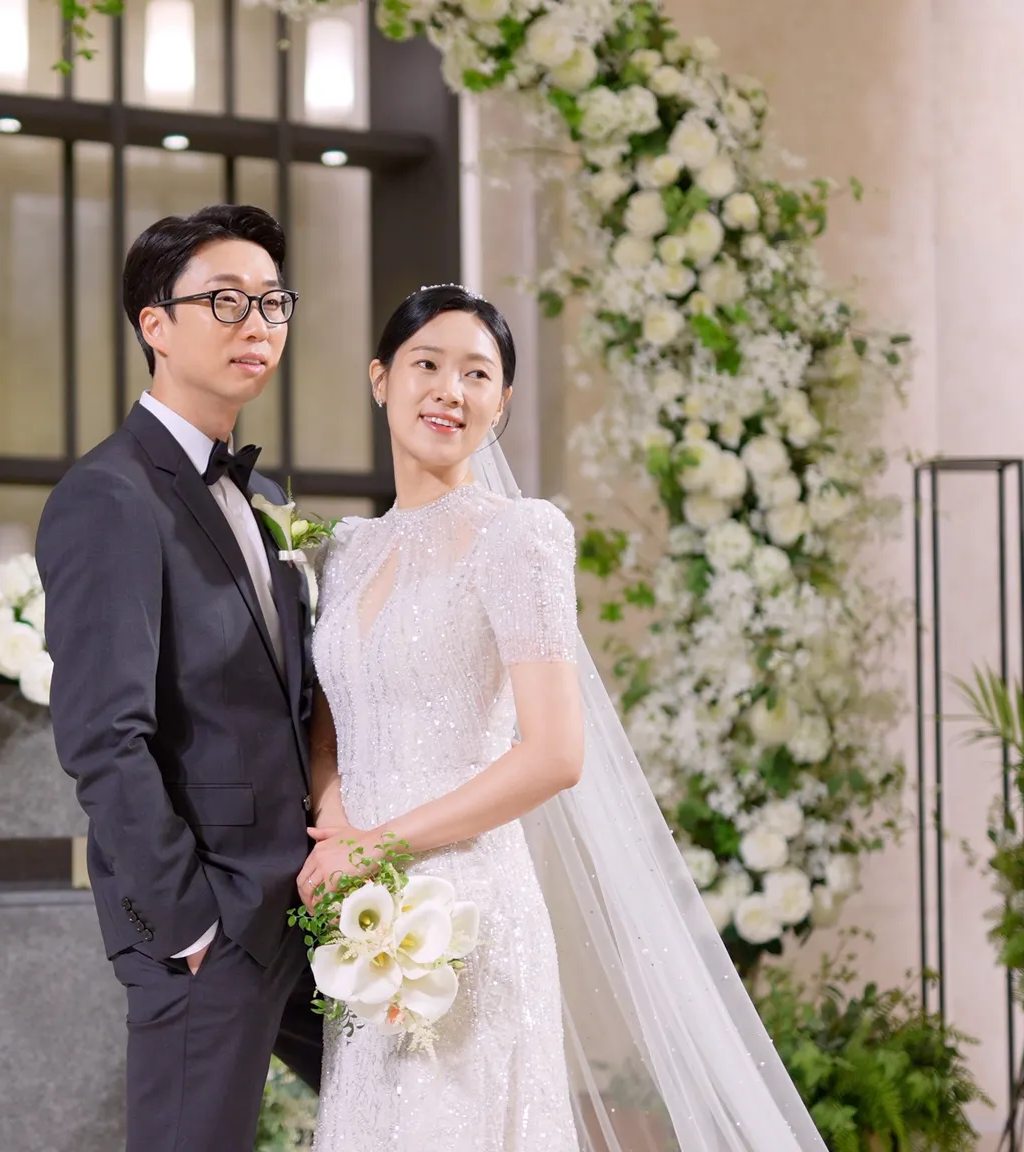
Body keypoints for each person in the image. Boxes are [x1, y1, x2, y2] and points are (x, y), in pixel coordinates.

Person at [303, 284, 827, 1150]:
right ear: (380, 378)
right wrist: (336, 827)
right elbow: (330, 722)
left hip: (466, 905)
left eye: (478, 374)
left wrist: (379, 845)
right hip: (364, 911)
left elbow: (554, 753)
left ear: (501, 402)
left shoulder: (520, 537)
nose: (450, 391)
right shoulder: (349, 549)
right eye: (427, 364)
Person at [37, 204, 322, 1152]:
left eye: (273, 302)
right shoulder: (109, 495)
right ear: (154, 324)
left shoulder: (263, 497)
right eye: (226, 301)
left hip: (307, 905)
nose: (258, 324)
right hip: (210, 915)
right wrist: (185, 922)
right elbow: (102, 736)